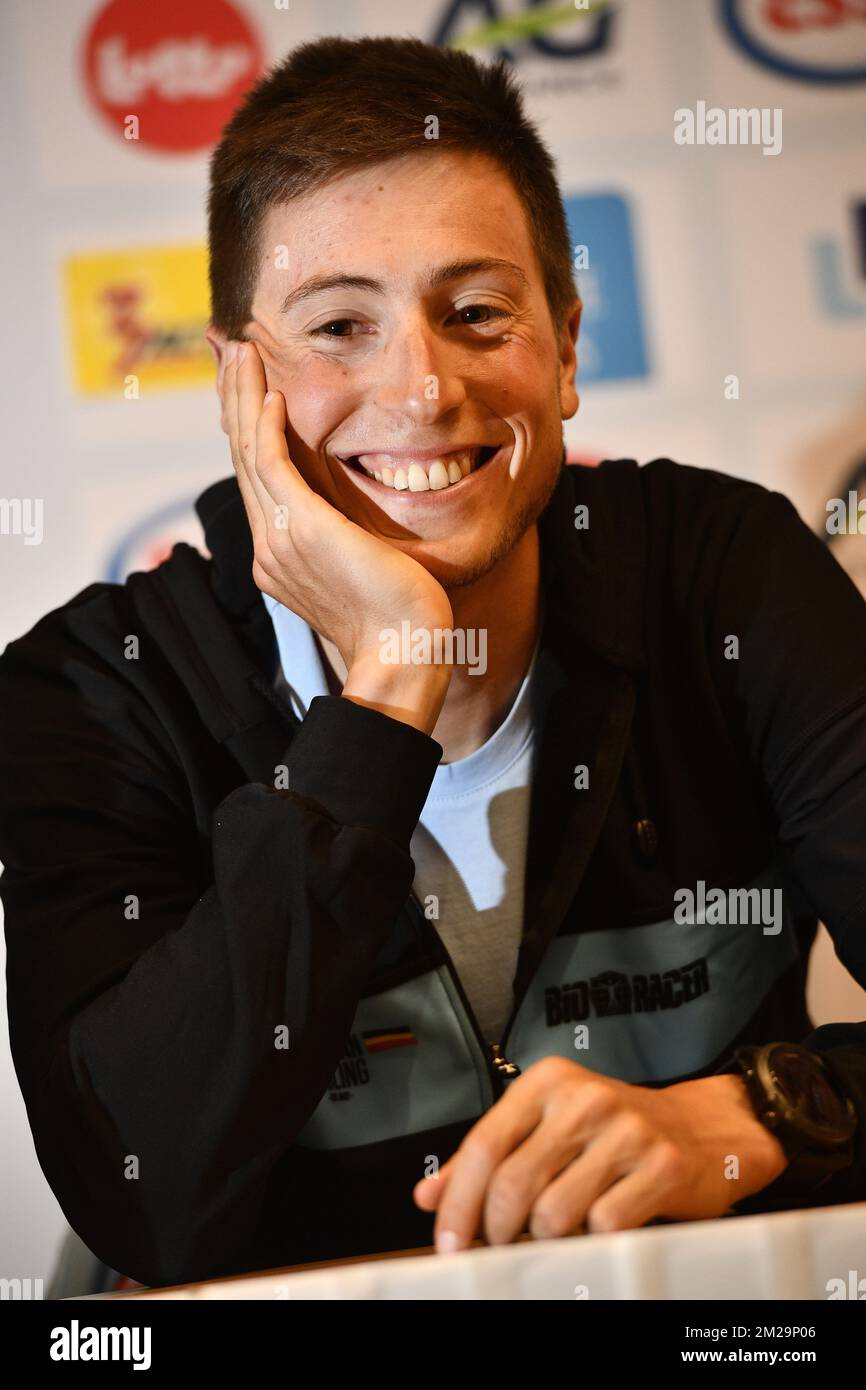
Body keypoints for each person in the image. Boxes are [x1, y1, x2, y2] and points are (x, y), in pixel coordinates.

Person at [2, 35, 865, 1292]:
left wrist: (763, 1113)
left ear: (565, 347)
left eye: (475, 313)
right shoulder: (92, 690)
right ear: (239, 380)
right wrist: (387, 685)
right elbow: (145, 1201)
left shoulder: (717, 574)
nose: (420, 385)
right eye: (338, 325)